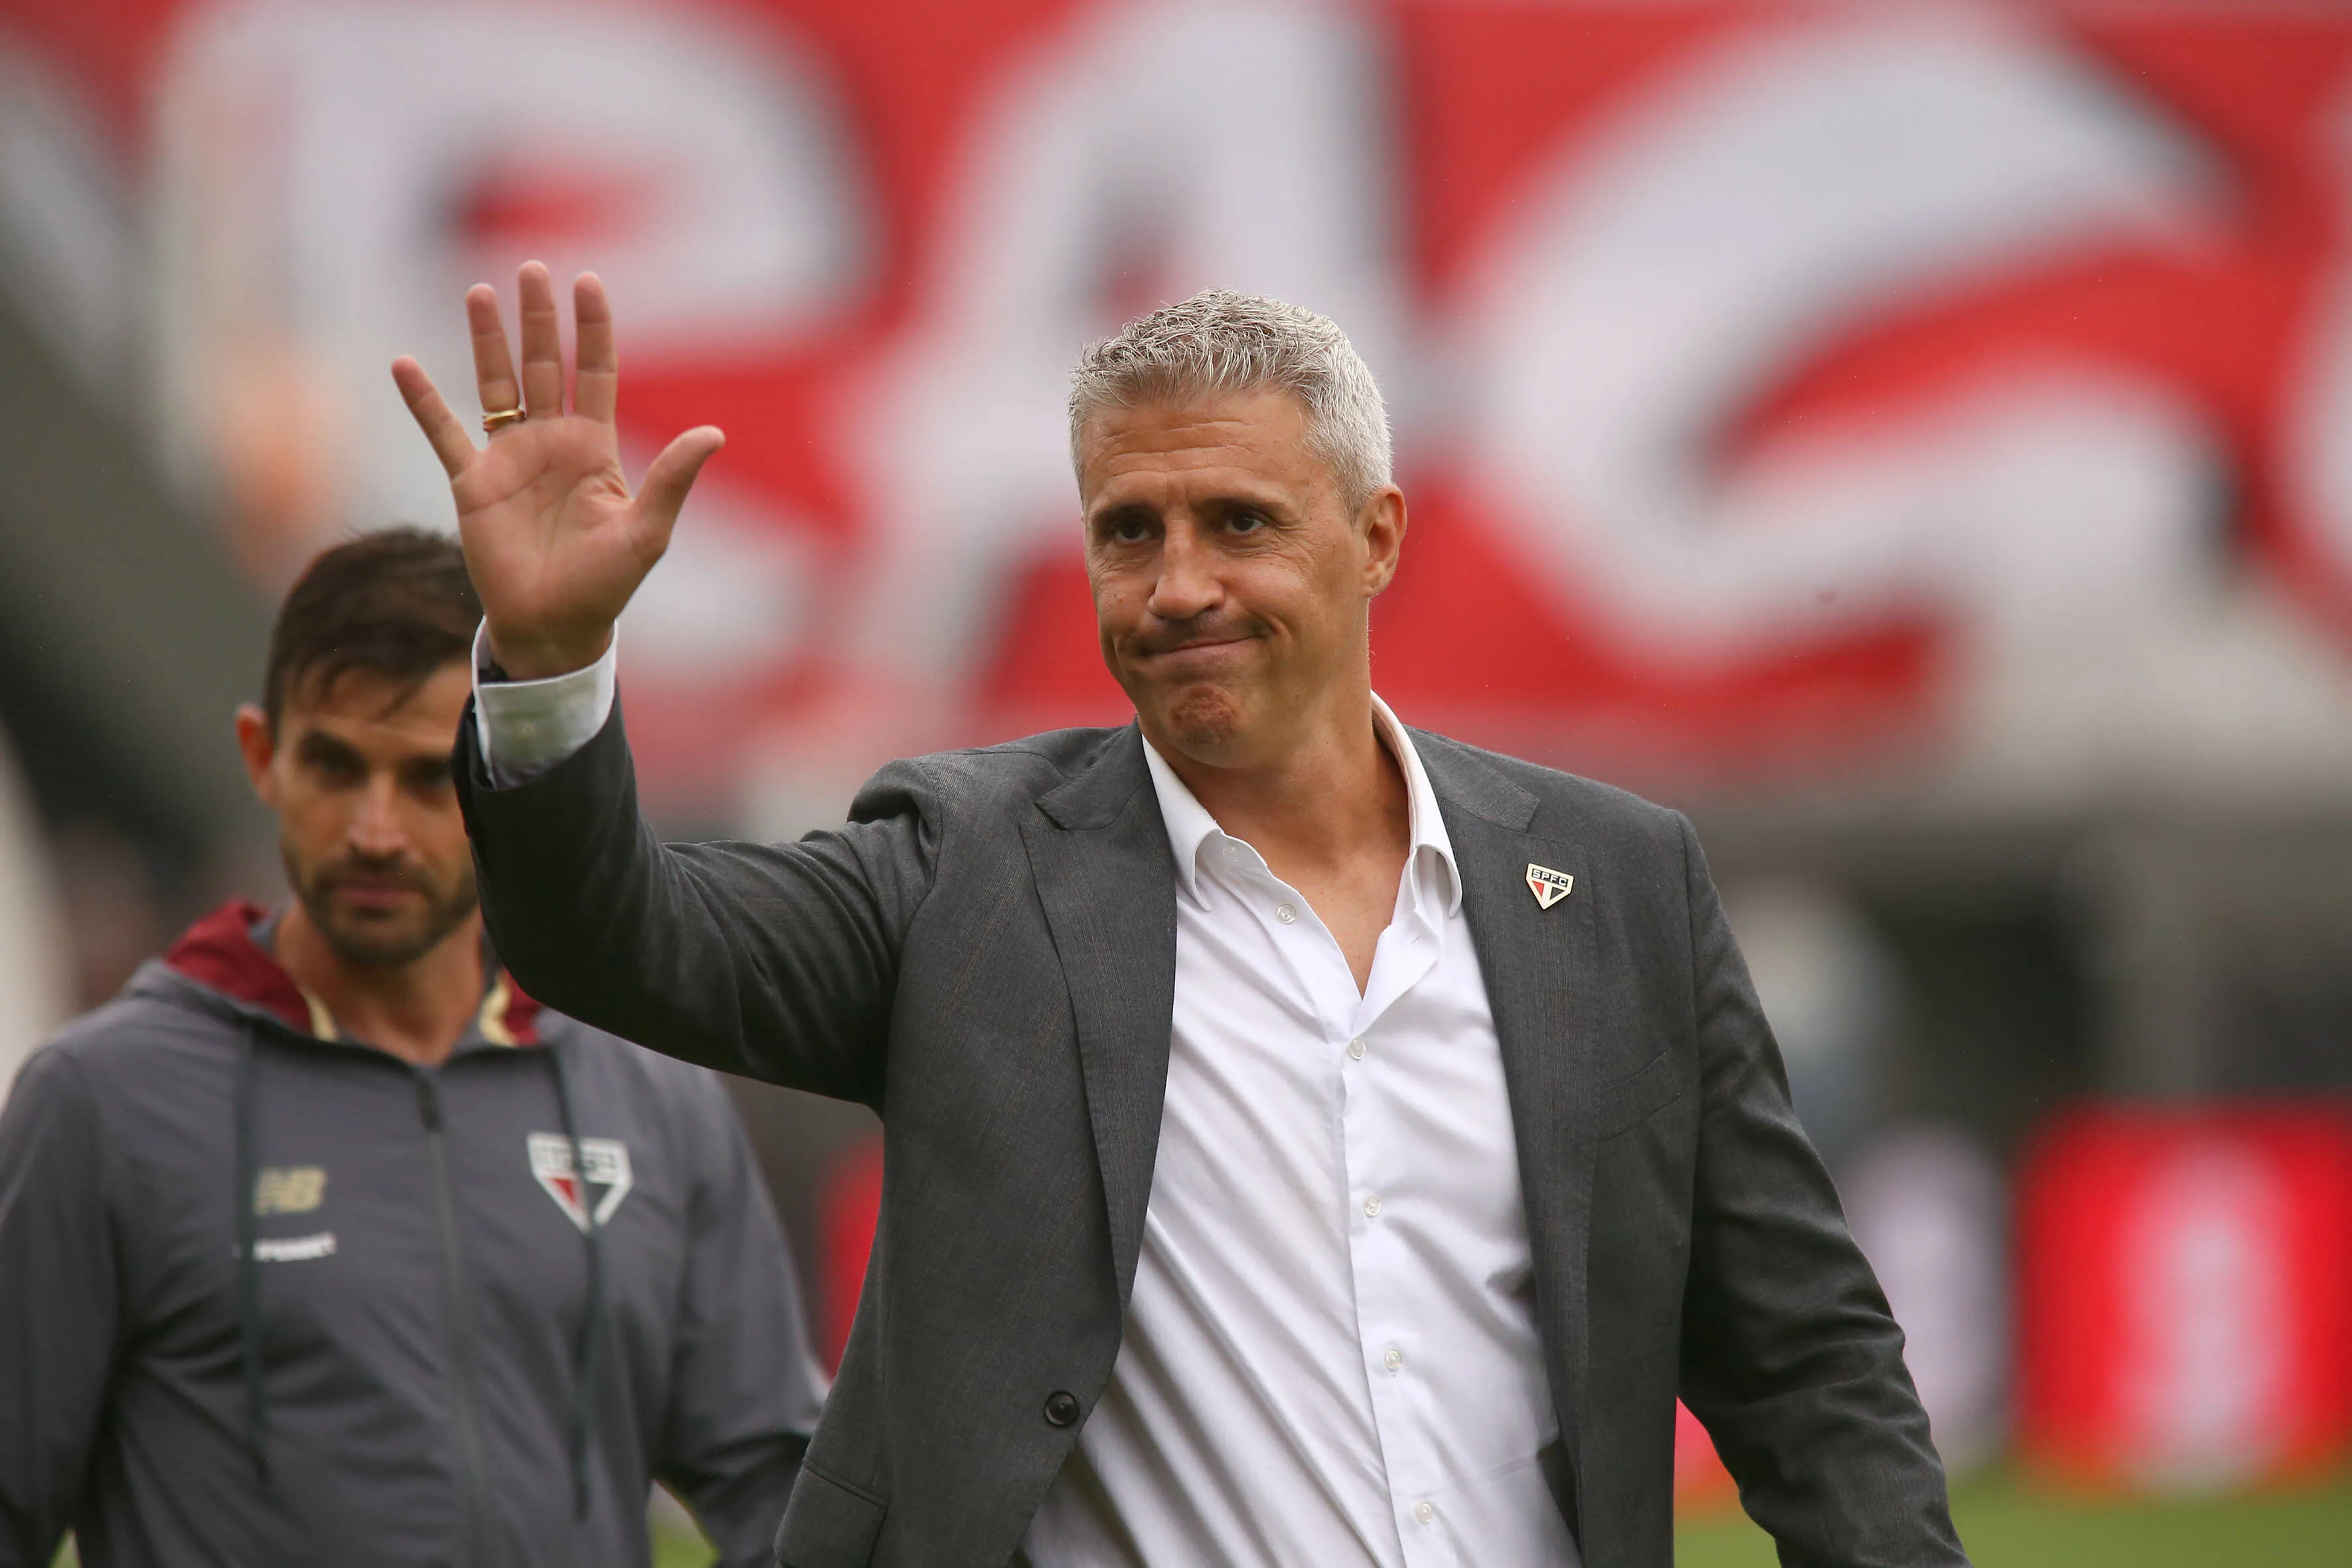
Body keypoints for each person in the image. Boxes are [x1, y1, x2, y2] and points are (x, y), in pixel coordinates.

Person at [392, 265, 1968, 1568]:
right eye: (1127, 530)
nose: (1176, 583)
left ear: (1376, 539)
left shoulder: (1617, 885)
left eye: (1238, 521)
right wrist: (549, 665)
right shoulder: (966, 867)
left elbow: (1805, 1358)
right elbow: (620, 936)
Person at [0, 530, 825, 1568]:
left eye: (429, 778)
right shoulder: (101, 1102)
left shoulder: (650, 1094)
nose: (375, 829)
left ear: (504, 783)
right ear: (264, 756)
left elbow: (775, 1483)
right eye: (336, 766)